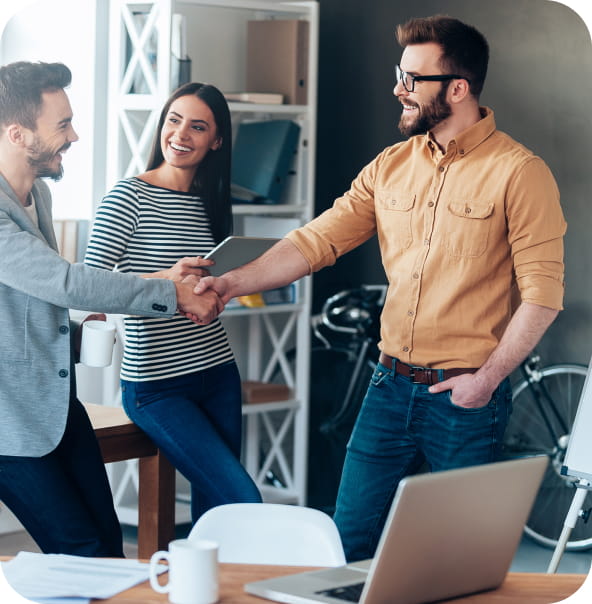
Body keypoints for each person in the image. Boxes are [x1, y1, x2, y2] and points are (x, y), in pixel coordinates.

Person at [195, 15, 567, 561]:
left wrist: (485, 382)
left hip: (464, 398)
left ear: (457, 89)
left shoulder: (519, 172)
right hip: (388, 387)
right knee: (347, 544)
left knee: (459, 559)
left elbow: (542, 295)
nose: (399, 88)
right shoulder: (392, 164)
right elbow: (315, 241)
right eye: (400, 74)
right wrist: (229, 283)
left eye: (413, 78)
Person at [0, 61, 222, 557]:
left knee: (106, 549)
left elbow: (34, 295)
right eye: (62, 125)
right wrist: (171, 294)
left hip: (55, 407)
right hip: (8, 422)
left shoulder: (36, 193)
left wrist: (161, 277)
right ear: (18, 134)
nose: (75, 135)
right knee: (82, 551)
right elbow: (63, 282)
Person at [84, 82, 262, 524]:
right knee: (241, 499)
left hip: (218, 372)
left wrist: (215, 290)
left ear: (216, 141)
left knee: (217, 516)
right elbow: (88, 289)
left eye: (198, 127)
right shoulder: (128, 196)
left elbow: (202, 285)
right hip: (157, 386)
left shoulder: (209, 202)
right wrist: (168, 280)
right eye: (174, 120)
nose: (181, 134)